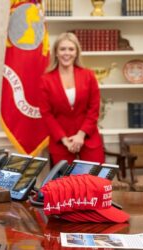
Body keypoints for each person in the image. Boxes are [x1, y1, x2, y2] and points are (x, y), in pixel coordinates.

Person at [39, 32, 105, 166]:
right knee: (66, 184)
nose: (66, 53)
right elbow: (46, 114)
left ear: (76, 53)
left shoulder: (89, 75)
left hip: (88, 138)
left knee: (95, 182)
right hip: (62, 143)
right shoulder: (46, 80)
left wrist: (81, 135)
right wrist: (64, 139)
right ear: (56, 53)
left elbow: (94, 109)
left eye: (71, 49)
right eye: (62, 49)